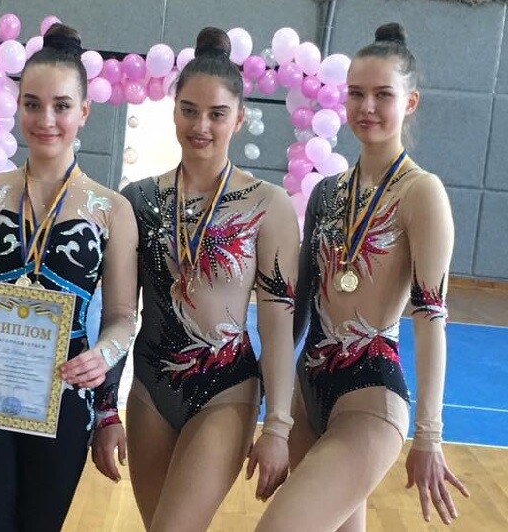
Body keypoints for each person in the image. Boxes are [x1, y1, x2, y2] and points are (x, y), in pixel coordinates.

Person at [256, 22, 469, 531]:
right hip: (308, 393)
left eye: (382, 95)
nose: (367, 107)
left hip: (369, 394)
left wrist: (430, 435)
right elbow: (298, 311)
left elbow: (431, 316)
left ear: (410, 102)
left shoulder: (421, 193)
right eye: (356, 93)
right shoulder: (329, 192)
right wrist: (267, 405)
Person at [0, 23, 139, 532]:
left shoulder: (112, 209)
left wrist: (103, 356)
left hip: (65, 393)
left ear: (84, 111)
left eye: (61, 106)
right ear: (17, 105)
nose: (46, 119)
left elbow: (121, 316)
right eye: (32, 104)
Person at [120, 26, 299, 530]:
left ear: (239, 118)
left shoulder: (267, 204)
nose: (201, 125)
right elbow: (119, 314)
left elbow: (277, 325)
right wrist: (105, 408)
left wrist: (278, 426)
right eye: (189, 110)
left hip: (226, 389)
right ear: (174, 110)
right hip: (150, 389)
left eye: (217, 114)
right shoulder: (138, 200)